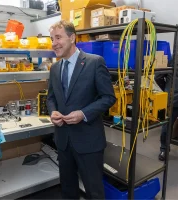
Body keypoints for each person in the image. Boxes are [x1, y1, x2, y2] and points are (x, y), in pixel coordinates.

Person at [47, 20, 116, 199]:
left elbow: (108, 97)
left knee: (94, 191)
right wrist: (53, 111)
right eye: (51, 39)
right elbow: (51, 98)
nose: (54, 43)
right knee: (68, 189)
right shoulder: (54, 68)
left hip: (88, 141)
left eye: (58, 37)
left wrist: (83, 114)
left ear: (72, 37)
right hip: (63, 141)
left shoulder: (94, 63)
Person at [155, 57, 178, 161]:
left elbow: (158, 77)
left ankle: (164, 149)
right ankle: (164, 148)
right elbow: (158, 76)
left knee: (166, 125)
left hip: (172, 97)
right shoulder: (174, 58)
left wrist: (166, 89)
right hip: (173, 99)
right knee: (166, 125)